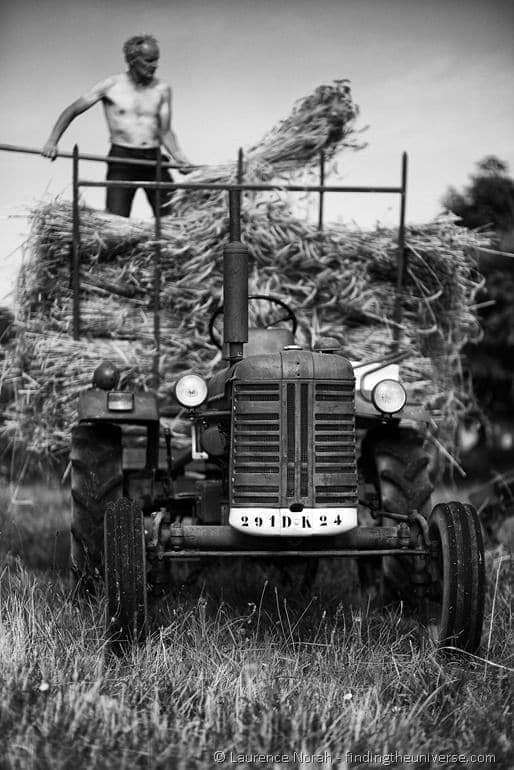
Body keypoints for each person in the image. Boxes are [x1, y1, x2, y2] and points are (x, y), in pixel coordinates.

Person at [42, 34, 192, 217]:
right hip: (122, 159)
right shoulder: (111, 85)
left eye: (157, 60)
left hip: (154, 159)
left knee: (171, 218)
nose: (155, 65)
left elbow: (165, 131)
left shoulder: (162, 89)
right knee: (116, 220)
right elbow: (72, 110)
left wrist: (178, 156)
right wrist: (52, 141)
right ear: (132, 60)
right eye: (149, 60)